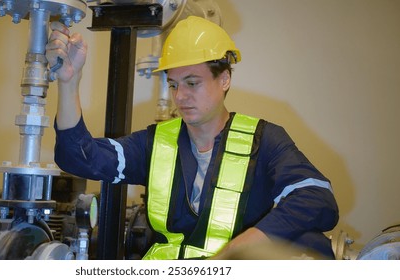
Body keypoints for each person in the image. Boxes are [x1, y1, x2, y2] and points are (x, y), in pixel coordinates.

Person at [45, 16, 339, 260]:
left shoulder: (264, 141)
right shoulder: (156, 142)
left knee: (313, 243)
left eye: (192, 83)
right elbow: (79, 156)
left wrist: (245, 245)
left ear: (224, 79)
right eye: (173, 84)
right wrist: (69, 82)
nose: (180, 96)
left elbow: (318, 199)